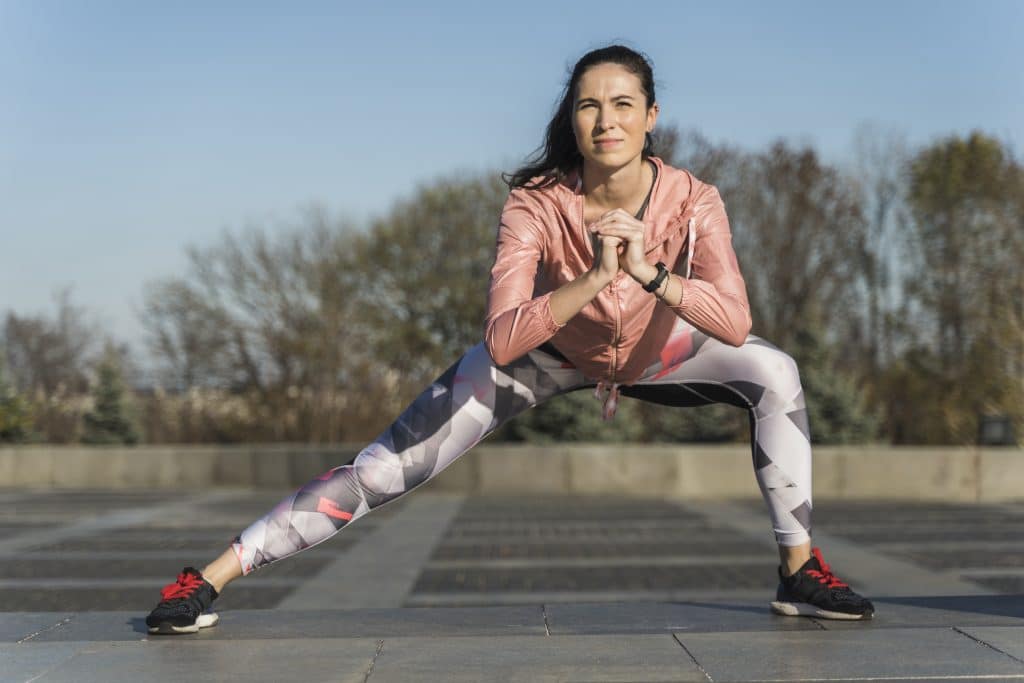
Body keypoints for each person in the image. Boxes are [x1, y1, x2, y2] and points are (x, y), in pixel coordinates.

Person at [145, 44, 874, 634]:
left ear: (652, 115)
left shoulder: (694, 200)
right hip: (547, 355)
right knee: (382, 469)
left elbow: (734, 320)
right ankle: (207, 579)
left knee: (775, 372)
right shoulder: (535, 204)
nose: (607, 120)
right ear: (573, 119)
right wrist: (593, 278)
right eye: (589, 105)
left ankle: (798, 572)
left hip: (660, 349)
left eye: (623, 104)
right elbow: (499, 338)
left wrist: (649, 273)